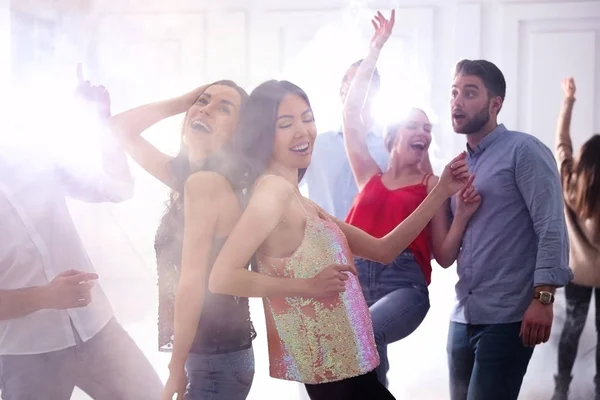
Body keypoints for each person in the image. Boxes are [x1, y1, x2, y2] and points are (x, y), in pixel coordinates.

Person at [207, 79, 473, 400]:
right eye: (285, 123)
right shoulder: (273, 193)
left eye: (307, 118)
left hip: (349, 366)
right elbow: (222, 277)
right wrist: (306, 287)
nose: (302, 131)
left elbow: (383, 249)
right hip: (331, 371)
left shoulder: (301, 201)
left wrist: (441, 191)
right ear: (263, 134)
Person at [0, 66, 163, 399]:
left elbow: (116, 189)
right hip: (27, 354)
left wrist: (103, 124)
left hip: (98, 328)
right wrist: (45, 297)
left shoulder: (30, 155)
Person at [341, 10, 482, 387]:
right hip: (353, 279)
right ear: (393, 136)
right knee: (364, 371)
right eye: (413, 126)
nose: (424, 132)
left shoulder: (433, 186)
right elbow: (351, 115)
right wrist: (375, 49)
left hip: (404, 286)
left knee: (361, 336)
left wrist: (463, 214)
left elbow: (445, 256)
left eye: (428, 128)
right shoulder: (369, 174)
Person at [110, 81, 258, 400]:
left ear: (239, 133)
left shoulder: (208, 185)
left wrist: (175, 371)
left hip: (215, 363)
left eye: (224, 108)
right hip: (213, 358)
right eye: (203, 101)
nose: (206, 108)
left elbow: (192, 284)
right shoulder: (190, 177)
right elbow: (118, 128)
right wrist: (186, 101)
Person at [445, 58, 573, 400]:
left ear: (495, 103)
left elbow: (551, 226)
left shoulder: (524, 150)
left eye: (469, 93)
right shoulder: (456, 170)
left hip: (508, 318)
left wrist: (543, 298)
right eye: (454, 92)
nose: (457, 101)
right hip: (462, 316)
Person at [551, 77, 600, 400]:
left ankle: (561, 388)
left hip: (577, 274)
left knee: (572, 329)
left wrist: (568, 100)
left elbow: (561, 143)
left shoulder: (569, 182)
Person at [301, 60, 388, 219]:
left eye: (357, 80)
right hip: (323, 240)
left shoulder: (389, 146)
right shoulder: (317, 145)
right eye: (346, 79)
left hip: (373, 240)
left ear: (375, 89)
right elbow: (288, 184)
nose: (348, 85)